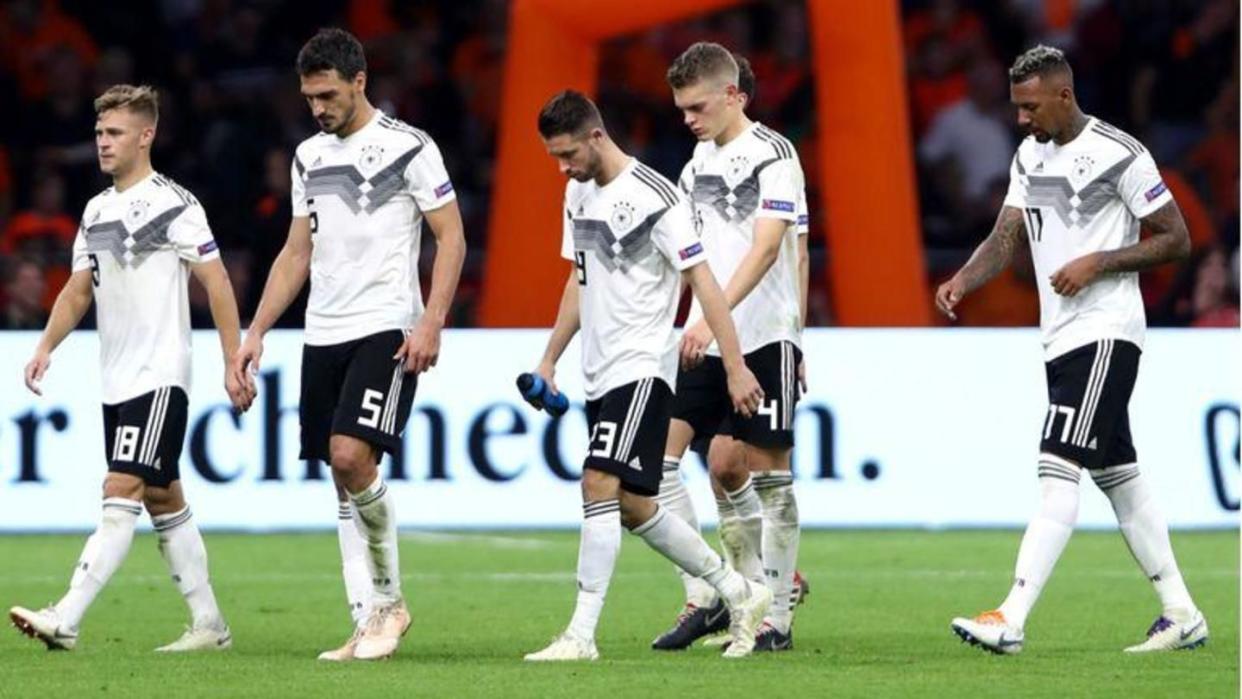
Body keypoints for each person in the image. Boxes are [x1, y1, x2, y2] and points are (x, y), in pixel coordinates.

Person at [940, 45, 1206, 655]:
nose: (1021, 119)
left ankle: (1011, 615)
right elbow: (1005, 236)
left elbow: (1177, 239)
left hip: (1106, 331)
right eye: (1016, 108)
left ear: (1064, 95)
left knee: (1057, 467)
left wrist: (1098, 263)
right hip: (1060, 336)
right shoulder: (1028, 155)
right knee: (1118, 474)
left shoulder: (1121, 155)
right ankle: (1181, 611)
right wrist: (964, 279)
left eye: (1030, 107)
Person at [233, 28, 466, 662]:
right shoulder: (308, 156)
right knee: (341, 481)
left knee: (349, 456)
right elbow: (295, 252)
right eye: (310, 97)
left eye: (328, 95)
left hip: (387, 325)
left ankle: (391, 603)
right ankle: (365, 619)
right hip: (323, 330)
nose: (318, 108)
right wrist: (255, 332)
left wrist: (432, 320)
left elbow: (451, 238)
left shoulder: (410, 148)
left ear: (360, 81)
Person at [523, 90, 772, 662]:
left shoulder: (656, 197)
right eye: (555, 158)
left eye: (567, 154)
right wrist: (549, 358)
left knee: (596, 483)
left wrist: (733, 365)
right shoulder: (576, 193)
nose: (562, 167)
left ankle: (580, 636)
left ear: (595, 135)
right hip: (597, 373)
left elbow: (704, 283)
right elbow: (577, 281)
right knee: (634, 505)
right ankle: (739, 591)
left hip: (642, 368)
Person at [8, 84, 251, 652]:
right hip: (115, 378)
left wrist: (230, 357)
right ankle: (209, 624)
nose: (103, 143)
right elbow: (76, 288)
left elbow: (215, 282)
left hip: (160, 373)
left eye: (114, 133)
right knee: (163, 495)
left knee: (121, 486)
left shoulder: (177, 204)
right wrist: (46, 346)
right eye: (98, 133)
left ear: (147, 135)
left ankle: (64, 616)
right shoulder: (96, 209)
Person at [652, 42, 809, 652]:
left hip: (764, 336)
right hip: (707, 338)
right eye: (681, 109)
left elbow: (777, 249)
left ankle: (778, 619)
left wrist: (797, 338)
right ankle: (715, 594)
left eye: (697, 107)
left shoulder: (775, 157)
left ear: (733, 96)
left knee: (765, 476)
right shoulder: (694, 165)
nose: (689, 119)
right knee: (660, 466)